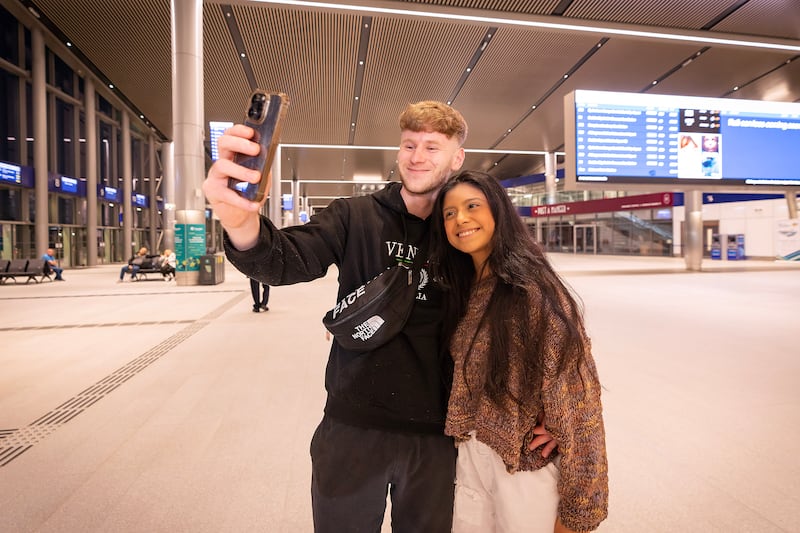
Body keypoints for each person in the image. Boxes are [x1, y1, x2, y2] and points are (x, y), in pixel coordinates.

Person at [204, 101, 553, 532]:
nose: (417, 156)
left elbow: (524, 323)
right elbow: (286, 261)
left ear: (456, 158)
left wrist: (551, 413)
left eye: (431, 146)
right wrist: (240, 222)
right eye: (409, 144)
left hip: (438, 437)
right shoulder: (355, 216)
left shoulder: (463, 231)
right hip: (351, 427)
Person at [429, 170, 609, 533]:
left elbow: (579, 403)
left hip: (524, 471)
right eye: (449, 213)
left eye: (472, 206)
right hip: (471, 461)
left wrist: (579, 512)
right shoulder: (463, 290)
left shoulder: (533, 292)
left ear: (498, 211)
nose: (460, 218)